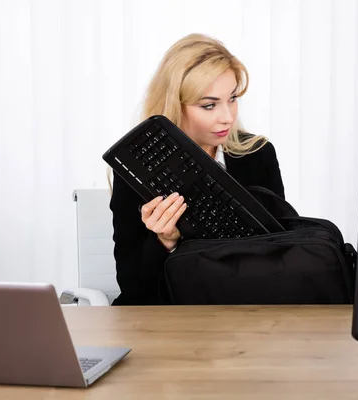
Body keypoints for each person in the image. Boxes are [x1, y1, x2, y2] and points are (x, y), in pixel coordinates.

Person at [110, 33, 286, 305]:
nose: (227, 116)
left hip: (247, 310)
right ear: (175, 106)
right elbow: (134, 288)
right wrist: (164, 243)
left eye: (233, 98)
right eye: (209, 105)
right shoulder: (135, 168)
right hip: (172, 315)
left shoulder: (257, 154)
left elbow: (282, 254)